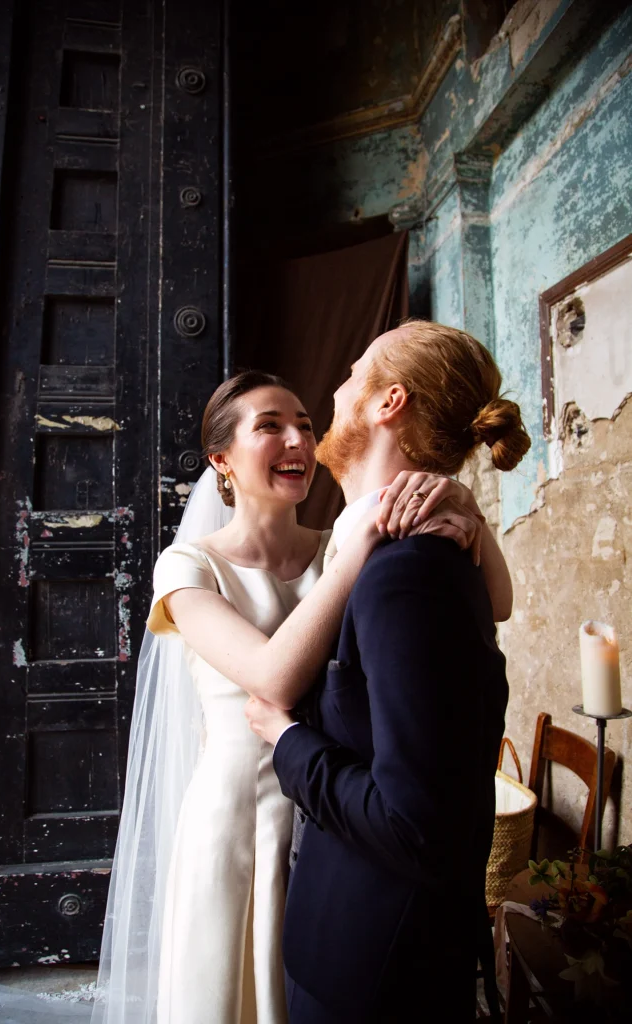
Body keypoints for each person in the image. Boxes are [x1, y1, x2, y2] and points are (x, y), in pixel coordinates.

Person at [93, 364, 512, 1024]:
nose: (297, 440)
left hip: (335, 814)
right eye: (270, 426)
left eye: (306, 425)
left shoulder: (336, 541)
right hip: (239, 817)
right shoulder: (189, 567)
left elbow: (498, 603)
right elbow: (269, 678)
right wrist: (362, 541)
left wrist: (463, 511)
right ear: (221, 460)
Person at [245, 320, 531, 1022]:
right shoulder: (373, 545)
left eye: (352, 374)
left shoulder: (410, 573)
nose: (337, 389)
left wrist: (284, 738)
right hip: (347, 945)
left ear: (387, 402)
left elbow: (416, 828)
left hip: (373, 971)